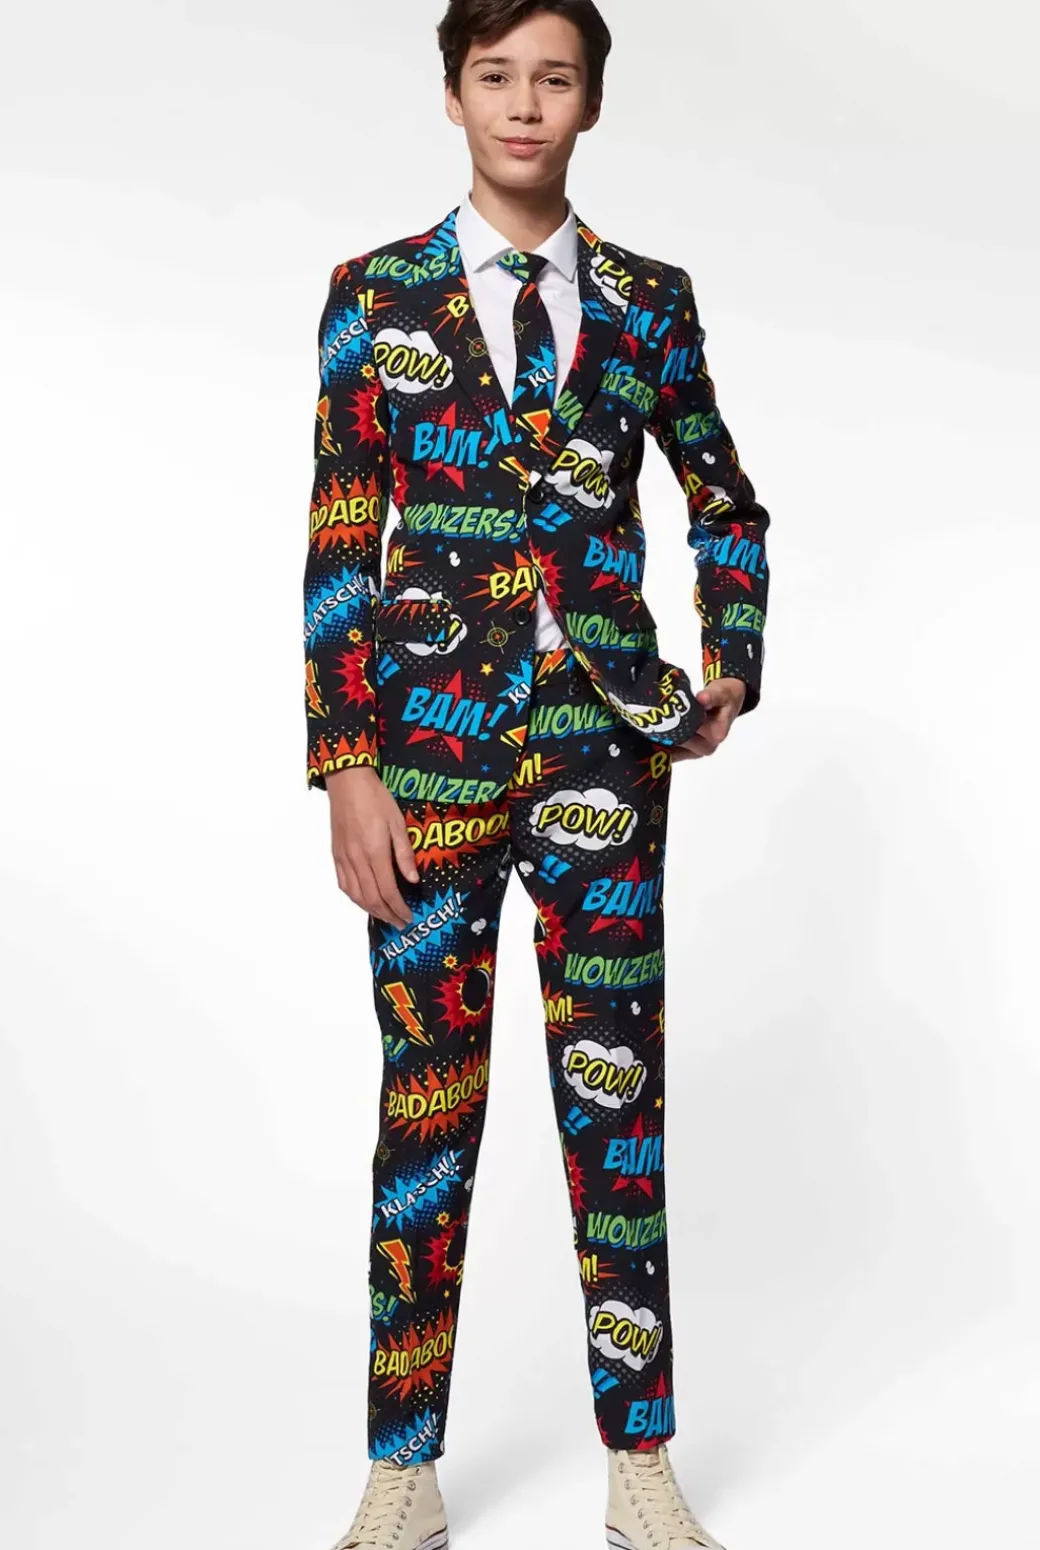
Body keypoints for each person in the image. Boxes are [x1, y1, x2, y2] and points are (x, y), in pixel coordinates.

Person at [302, 2, 770, 1545]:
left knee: (612, 1100)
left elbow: (723, 498)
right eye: (495, 76)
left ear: (591, 104)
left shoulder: (649, 302)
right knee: (426, 1110)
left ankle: (641, 1457)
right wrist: (345, 760)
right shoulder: (375, 295)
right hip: (425, 757)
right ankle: (403, 1465)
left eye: (553, 79)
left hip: (603, 753)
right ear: (452, 97)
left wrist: (730, 658)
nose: (524, 104)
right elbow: (340, 535)